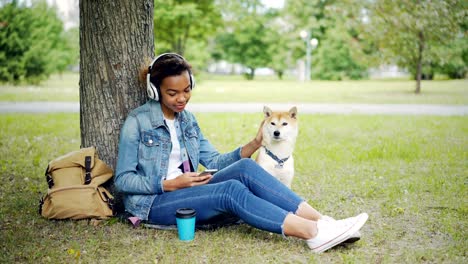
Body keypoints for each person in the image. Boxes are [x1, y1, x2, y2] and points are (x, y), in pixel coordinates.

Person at [114, 53, 368, 253]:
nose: (182, 98)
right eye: (172, 93)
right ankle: (312, 234)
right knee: (230, 190)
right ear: (155, 90)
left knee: (246, 168)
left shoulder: (187, 120)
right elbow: (123, 180)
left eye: (187, 90)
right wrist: (170, 184)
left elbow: (214, 161)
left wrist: (256, 143)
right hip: (153, 203)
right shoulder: (138, 122)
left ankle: (326, 223)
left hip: (187, 189)